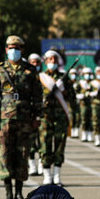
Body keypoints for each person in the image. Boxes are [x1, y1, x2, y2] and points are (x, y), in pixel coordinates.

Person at [0, 35, 43, 199]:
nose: (14, 51)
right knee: (5, 155)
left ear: (22, 50)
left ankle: (19, 193)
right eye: (11, 47)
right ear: (6, 50)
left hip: (25, 119)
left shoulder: (30, 70)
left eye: (17, 48)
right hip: (5, 120)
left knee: (22, 155)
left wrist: (38, 116)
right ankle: (8, 194)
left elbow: (38, 96)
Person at [38, 50, 75, 186]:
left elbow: (72, 97)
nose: (53, 61)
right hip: (45, 116)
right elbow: (34, 95)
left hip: (60, 116)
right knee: (45, 145)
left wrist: (63, 90)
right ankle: (47, 176)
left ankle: (57, 176)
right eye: (50, 59)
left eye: (55, 59)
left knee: (60, 145)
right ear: (45, 61)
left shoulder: (64, 78)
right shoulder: (40, 77)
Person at [27, 53, 43, 176]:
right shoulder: (26, 77)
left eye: (37, 62)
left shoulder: (45, 77)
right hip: (30, 114)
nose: (35, 64)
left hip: (44, 115)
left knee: (43, 142)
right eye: (33, 62)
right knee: (31, 142)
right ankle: (32, 165)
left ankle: (43, 165)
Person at [78, 67, 95, 142]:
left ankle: (90, 134)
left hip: (91, 103)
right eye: (86, 74)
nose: (87, 75)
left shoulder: (93, 83)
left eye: (89, 74)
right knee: (84, 118)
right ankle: (84, 134)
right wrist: (81, 95)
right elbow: (76, 92)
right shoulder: (80, 83)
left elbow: (96, 91)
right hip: (83, 103)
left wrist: (91, 93)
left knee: (91, 119)